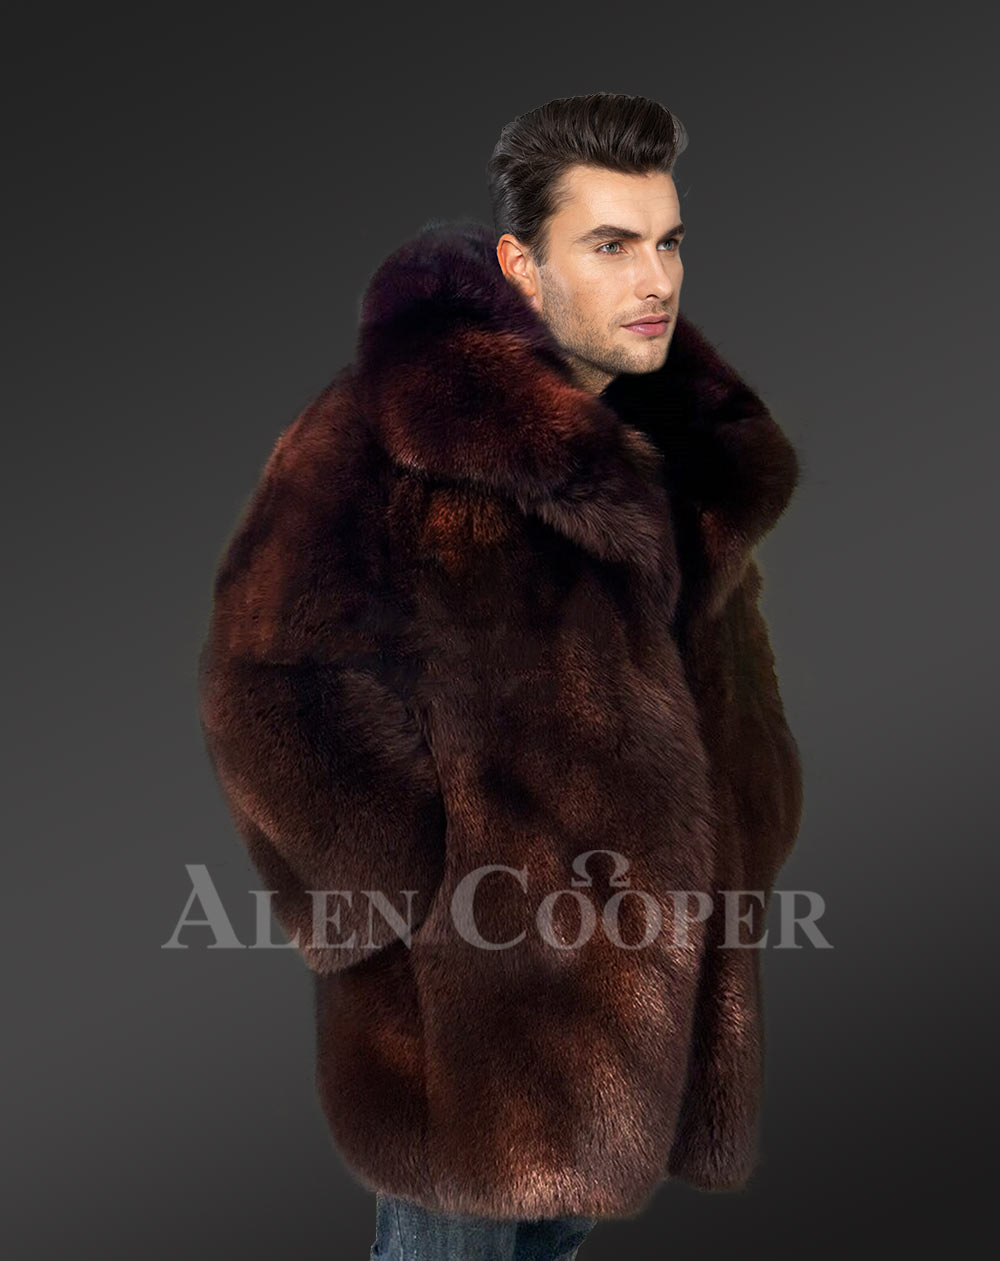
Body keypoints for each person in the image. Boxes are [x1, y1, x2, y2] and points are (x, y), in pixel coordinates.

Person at [198, 92, 804, 1259]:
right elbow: (263, 678)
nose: (656, 279)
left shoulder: (678, 454)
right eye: (611, 245)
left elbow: (729, 690)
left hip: (636, 1015)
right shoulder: (386, 434)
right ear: (523, 265)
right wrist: (403, 906)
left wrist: (753, 813)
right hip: (467, 1027)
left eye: (668, 241)